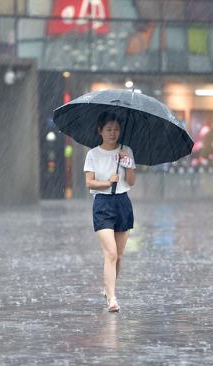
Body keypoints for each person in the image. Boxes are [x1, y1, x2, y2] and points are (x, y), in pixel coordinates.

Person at [84, 111, 136, 312]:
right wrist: (107, 182)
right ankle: (112, 298)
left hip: (122, 202)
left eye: (116, 129)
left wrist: (128, 164)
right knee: (111, 253)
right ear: (100, 131)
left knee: (120, 255)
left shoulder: (126, 150)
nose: (113, 133)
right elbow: (89, 182)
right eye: (108, 129)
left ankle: (109, 288)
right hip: (102, 204)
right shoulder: (93, 154)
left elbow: (131, 182)